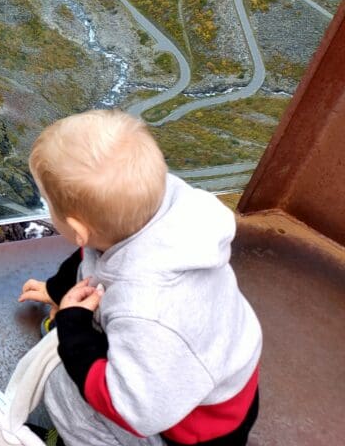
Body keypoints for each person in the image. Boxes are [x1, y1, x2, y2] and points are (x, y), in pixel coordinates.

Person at [17, 109, 261, 446]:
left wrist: (74, 332)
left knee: (62, 389)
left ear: (77, 229)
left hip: (195, 430)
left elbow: (131, 408)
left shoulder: (146, 310)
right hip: (216, 388)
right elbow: (91, 258)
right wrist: (58, 291)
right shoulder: (159, 207)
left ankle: (69, 439)